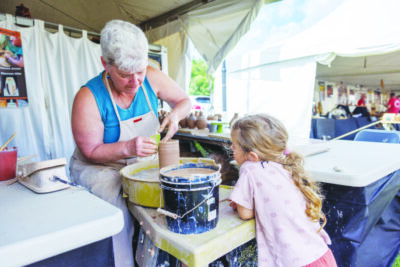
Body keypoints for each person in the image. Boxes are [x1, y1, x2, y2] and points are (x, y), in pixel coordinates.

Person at [69, 20, 191, 267]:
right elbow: (90, 151)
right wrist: (127, 147)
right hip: (100, 168)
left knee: (166, 208)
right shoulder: (88, 97)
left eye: (141, 72)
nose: (135, 82)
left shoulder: (152, 78)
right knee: (118, 222)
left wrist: (176, 115)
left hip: (140, 161)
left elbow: (184, 101)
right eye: (125, 75)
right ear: (105, 64)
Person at [229, 114, 337, 267]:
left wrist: (240, 204)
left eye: (234, 146)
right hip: (321, 256)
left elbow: (245, 214)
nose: (231, 150)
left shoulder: (250, 169)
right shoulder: (285, 165)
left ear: (252, 155)